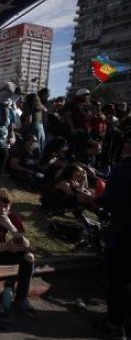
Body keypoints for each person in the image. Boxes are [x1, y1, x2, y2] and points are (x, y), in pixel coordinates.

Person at [0, 189, 37, 319]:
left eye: (5, 206)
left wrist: (11, 228)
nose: (2, 210)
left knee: (29, 257)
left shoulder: (10, 218)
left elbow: (27, 246)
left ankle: (21, 298)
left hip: (2, 252)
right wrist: (4, 246)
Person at [96, 129, 131, 339]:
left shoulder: (123, 169)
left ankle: (115, 324)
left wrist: (92, 199)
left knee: (118, 278)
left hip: (125, 232)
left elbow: (110, 201)